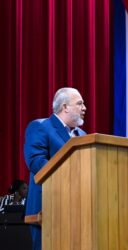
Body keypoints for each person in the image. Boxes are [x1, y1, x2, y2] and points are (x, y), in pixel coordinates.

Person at [24, 87, 87, 250]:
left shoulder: (83, 135)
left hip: (78, 212)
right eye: (80, 103)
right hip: (47, 210)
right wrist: (69, 175)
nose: (84, 108)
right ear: (64, 107)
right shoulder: (41, 126)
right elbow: (36, 161)